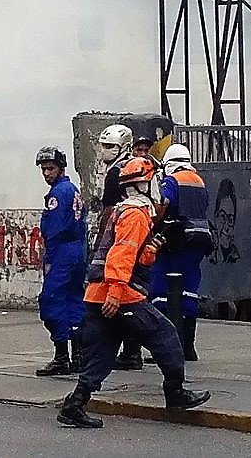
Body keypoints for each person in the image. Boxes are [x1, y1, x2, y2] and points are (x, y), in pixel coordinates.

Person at [57, 156, 210, 429]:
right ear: (144, 184)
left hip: (99, 294)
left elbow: (133, 255)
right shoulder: (135, 215)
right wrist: (116, 292)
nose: (159, 186)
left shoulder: (124, 211)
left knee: (102, 355)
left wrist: (153, 245)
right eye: (155, 180)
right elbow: (121, 254)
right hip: (120, 294)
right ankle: (175, 394)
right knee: (166, 336)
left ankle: (74, 405)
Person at [149, 144, 211, 361]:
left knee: (161, 290)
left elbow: (163, 205)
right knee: (189, 290)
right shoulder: (198, 180)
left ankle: (168, 347)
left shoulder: (172, 181)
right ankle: (188, 347)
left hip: (177, 241)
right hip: (200, 239)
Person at [93, 124, 145, 371]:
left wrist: (101, 240)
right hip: (135, 237)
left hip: (123, 238)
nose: (105, 151)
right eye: (103, 146)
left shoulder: (117, 173)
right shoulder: (134, 167)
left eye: (110, 146)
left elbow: (109, 210)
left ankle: (130, 351)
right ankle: (131, 349)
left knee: (122, 293)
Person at [34, 146, 87, 376]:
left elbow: (53, 229)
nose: (46, 173)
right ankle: (78, 354)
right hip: (77, 250)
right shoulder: (73, 189)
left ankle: (61, 355)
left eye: (50, 168)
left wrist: (51, 258)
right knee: (74, 299)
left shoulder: (58, 194)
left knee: (51, 301)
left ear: (60, 168)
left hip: (62, 252)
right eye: (44, 169)